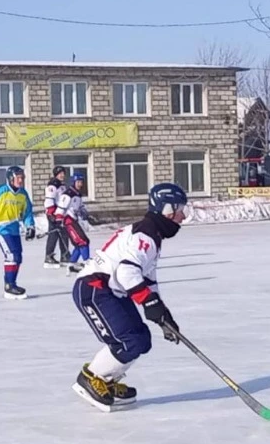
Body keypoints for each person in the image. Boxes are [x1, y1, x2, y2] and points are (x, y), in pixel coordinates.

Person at [71, 183, 187, 412]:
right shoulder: (146, 233)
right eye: (180, 209)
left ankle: (107, 379)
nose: (183, 216)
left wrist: (162, 313)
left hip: (112, 291)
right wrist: (149, 302)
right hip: (94, 289)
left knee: (141, 339)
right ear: (167, 210)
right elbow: (127, 271)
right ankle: (92, 378)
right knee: (129, 341)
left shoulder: (152, 234)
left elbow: (148, 278)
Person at [0, 166, 36, 300]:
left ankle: (12, 284)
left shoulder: (23, 194)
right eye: (18, 178)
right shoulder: (0, 192)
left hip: (14, 229)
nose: (21, 180)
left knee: (18, 257)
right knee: (11, 255)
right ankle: (9, 286)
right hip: (0, 229)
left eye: (23, 177)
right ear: (11, 179)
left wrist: (30, 226)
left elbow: (27, 212)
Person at [57, 173, 90, 275]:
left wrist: (84, 212)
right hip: (68, 221)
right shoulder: (68, 194)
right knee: (83, 242)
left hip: (74, 220)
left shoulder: (78, 194)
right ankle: (87, 264)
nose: (80, 184)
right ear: (73, 182)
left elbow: (80, 206)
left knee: (79, 243)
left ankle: (71, 265)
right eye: (78, 182)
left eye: (81, 182)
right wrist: (59, 219)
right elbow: (61, 208)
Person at [44, 166, 70, 269]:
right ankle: (48, 257)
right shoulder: (52, 185)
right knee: (53, 235)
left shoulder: (62, 185)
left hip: (61, 213)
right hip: (53, 214)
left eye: (63, 173)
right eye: (60, 173)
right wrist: (51, 214)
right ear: (56, 174)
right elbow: (49, 200)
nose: (62, 175)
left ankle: (65, 255)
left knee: (64, 234)